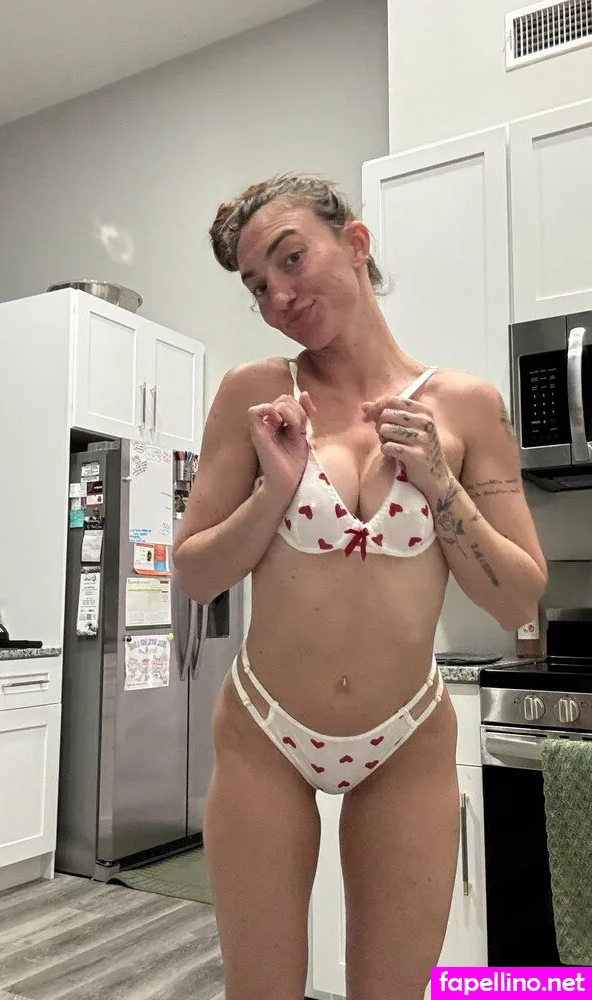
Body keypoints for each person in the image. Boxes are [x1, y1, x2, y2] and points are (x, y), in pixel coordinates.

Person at [172, 173, 547, 1000]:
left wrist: (440, 484)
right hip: (264, 732)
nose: (277, 296)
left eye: (290, 259)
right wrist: (273, 492)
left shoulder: (465, 406)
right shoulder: (256, 394)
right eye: (256, 285)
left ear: (355, 243)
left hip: (404, 738)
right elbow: (196, 574)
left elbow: (517, 601)